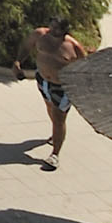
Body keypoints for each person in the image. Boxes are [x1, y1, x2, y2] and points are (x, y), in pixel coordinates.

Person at [24, 15, 90, 170]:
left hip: (63, 87)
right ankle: (56, 136)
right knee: (50, 108)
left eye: (57, 28)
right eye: (51, 26)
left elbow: (85, 67)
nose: (52, 30)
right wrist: (18, 62)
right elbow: (26, 46)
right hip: (43, 81)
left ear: (65, 30)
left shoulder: (73, 47)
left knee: (59, 117)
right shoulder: (40, 35)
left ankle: (55, 155)